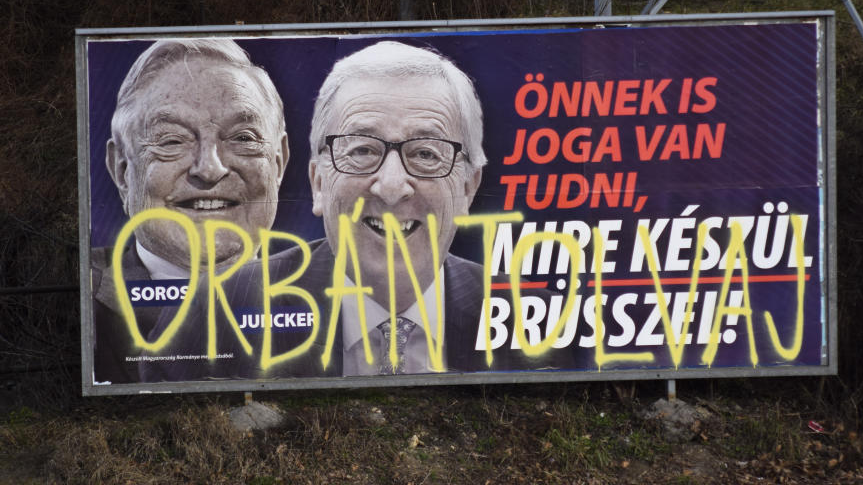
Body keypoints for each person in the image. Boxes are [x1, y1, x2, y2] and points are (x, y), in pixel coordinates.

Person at [142, 40, 575, 381]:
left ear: (467, 187)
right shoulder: (213, 314)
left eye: (426, 153)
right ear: (316, 182)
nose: (390, 186)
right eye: (362, 150)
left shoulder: (547, 328)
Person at [91, 38, 290, 384]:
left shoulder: (340, 294)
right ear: (122, 171)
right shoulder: (85, 304)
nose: (209, 169)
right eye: (172, 140)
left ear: (278, 163)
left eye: (243, 138)